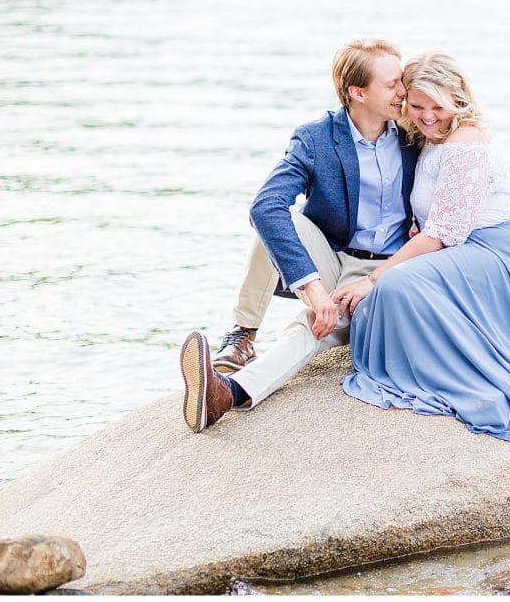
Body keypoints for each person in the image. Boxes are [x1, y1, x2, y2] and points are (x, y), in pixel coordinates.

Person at [332, 53, 510, 504]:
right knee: (397, 289)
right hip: (467, 243)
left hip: (496, 252)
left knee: (394, 287)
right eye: (417, 106)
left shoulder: (466, 141)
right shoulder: (426, 138)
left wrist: (373, 277)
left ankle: (460, 377)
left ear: (460, 100)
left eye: (440, 107)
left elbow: (443, 234)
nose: (428, 117)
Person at [178, 38, 418, 432]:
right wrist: (314, 289)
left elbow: (463, 162)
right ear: (358, 92)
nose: (403, 92)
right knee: (274, 215)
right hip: (333, 255)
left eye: (401, 81)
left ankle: (227, 394)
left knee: (311, 326)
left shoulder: (415, 132)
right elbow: (265, 206)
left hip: (388, 273)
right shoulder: (317, 138)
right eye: (392, 84)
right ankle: (243, 335)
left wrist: (506, 199)